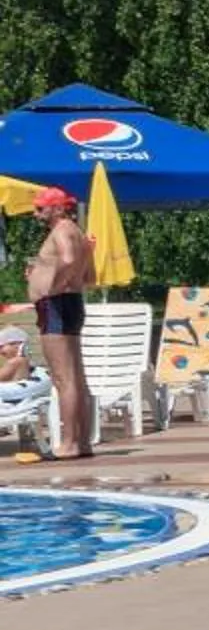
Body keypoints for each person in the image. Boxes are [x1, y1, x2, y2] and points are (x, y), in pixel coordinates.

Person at [22, 188, 95, 460]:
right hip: (71, 302)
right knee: (75, 377)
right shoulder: (78, 233)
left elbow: (67, 260)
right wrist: (41, 272)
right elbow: (89, 274)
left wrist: (50, 284)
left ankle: (68, 443)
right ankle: (82, 442)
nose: (35, 213)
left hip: (56, 305)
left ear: (58, 208)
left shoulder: (62, 230)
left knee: (64, 379)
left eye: (40, 208)